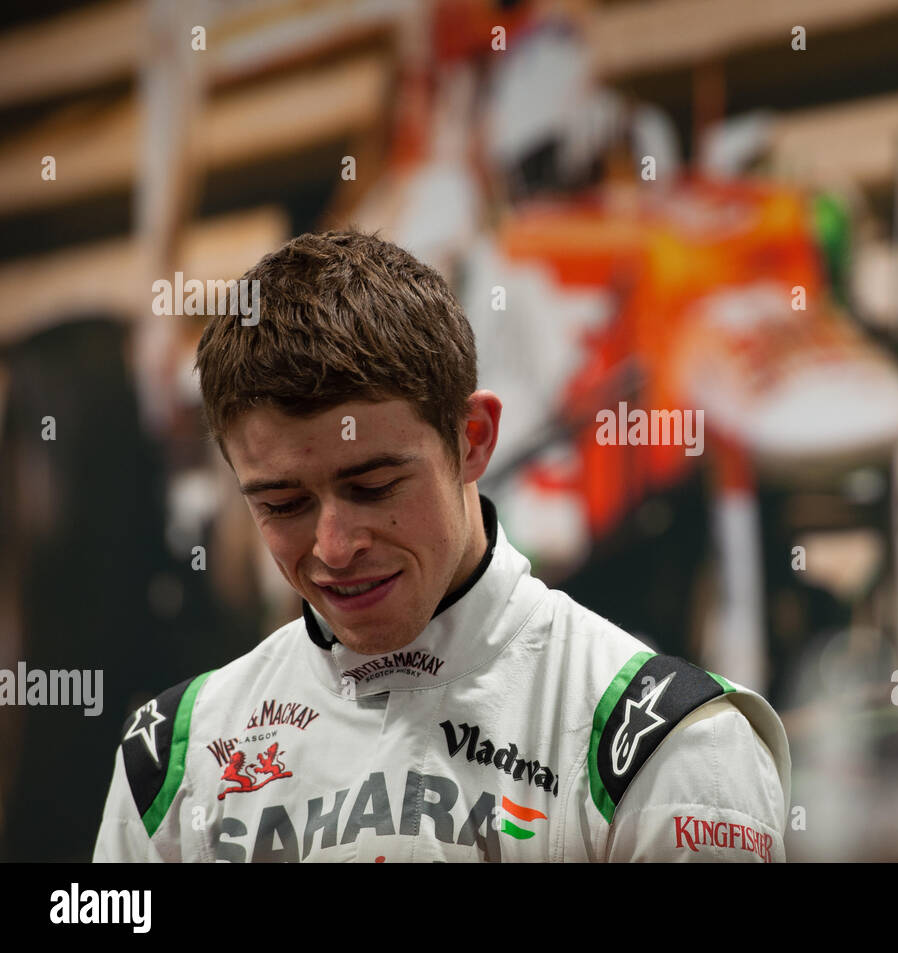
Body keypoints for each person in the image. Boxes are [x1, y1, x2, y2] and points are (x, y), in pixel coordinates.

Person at [92, 230, 791, 862]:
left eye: (373, 486)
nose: (335, 547)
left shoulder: (669, 744)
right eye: (282, 504)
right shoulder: (171, 758)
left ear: (473, 439)